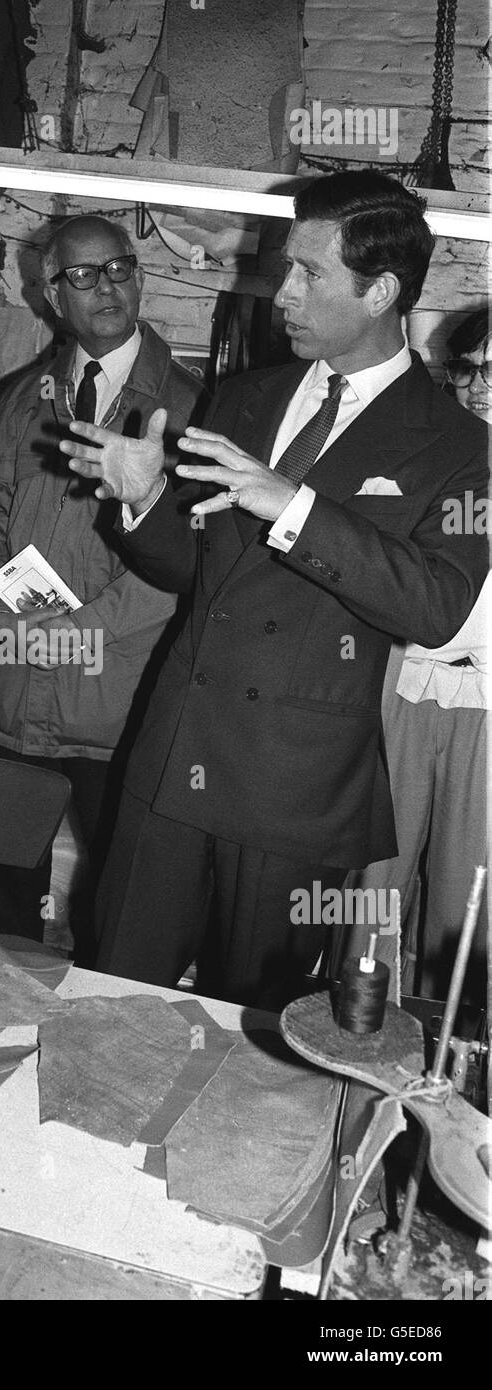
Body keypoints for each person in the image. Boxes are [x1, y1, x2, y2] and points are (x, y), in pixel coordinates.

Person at [60, 171, 489, 1009]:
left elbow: (436, 609)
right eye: (284, 267)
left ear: (382, 293)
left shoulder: (460, 445)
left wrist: (293, 506)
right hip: (174, 755)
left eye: (308, 274)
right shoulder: (244, 396)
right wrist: (143, 500)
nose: (280, 292)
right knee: (110, 1002)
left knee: (254, 1035)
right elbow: (198, 574)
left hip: (296, 789)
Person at [0, 215, 206, 961]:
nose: (108, 287)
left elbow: (184, 564)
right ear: (50, 294)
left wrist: (76, 634)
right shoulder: (17, 400)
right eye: (83, 275)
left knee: (122, 908)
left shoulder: (192, 410)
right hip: (9, 696)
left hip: (118, 706)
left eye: (120, 268)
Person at [342, 308, 489, 1006]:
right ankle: (351, 1029)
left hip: (485, 708)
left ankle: (451, 1055)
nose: (478, 387)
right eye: (468, 369)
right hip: (400, 686)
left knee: (466, 902)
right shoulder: (430, 451)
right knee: (374, 881)